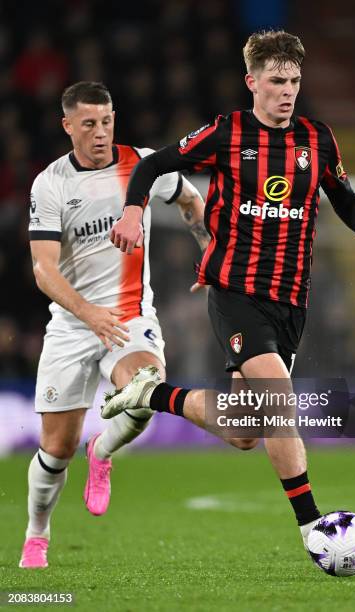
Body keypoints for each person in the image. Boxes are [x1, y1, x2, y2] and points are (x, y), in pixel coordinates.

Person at [105, 30, 355, 556]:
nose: (287, 91)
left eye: (294, 80)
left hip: (291, 300)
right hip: (235, 292)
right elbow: (154, 164)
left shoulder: (318, 139)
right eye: (276, 81)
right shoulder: (227, 132)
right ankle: (313, 527)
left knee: (247, 430)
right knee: (279, 405)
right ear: (252, 83)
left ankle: (152, 394)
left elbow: (344, 198)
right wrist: (135, 209)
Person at [20, 81, 209, 569]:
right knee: (55, 449)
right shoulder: (51, 184)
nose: (101, 133)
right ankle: (36, 536)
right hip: (71, 324)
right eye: (88, 124)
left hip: (128, 317)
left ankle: (101, 451)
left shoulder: (142, 165)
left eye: (106, 121)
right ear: (68, 126)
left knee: (147, 390)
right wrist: (87, 314)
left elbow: (189, 198)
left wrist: (208, 248)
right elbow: (43, 269)